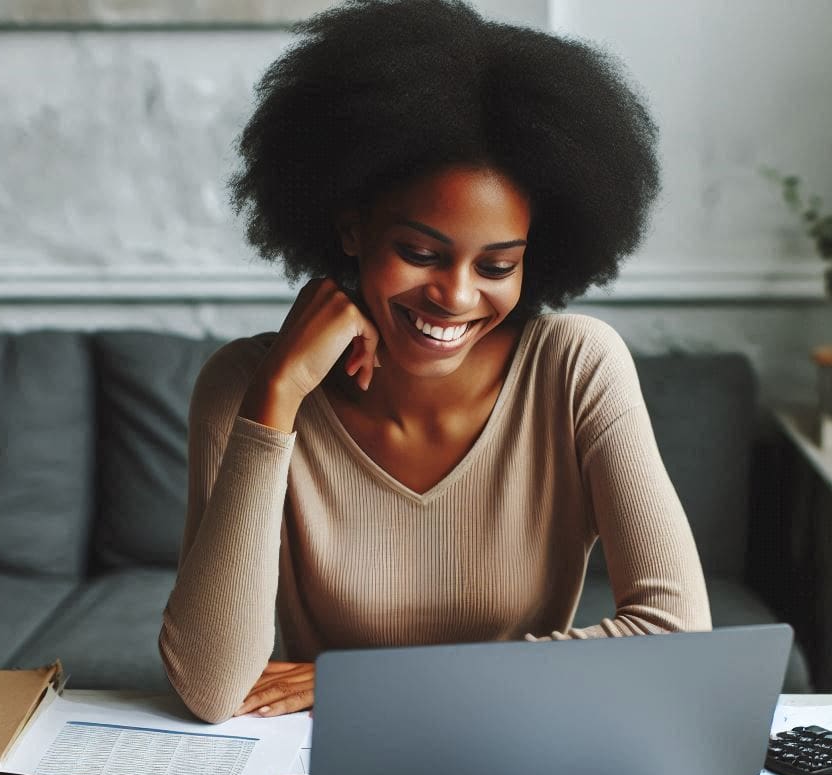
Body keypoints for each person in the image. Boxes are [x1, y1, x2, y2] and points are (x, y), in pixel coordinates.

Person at [160, 0, 711, 724]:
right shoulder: (246, 387)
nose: (455, 296)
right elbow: (209, 689)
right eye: (420, 253)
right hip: (323, 766)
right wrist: (279, 396)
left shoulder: (574, 367)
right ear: (352, 229)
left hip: (520, 745)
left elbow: (674, 641)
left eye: (497, 264)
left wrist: (377, 683)